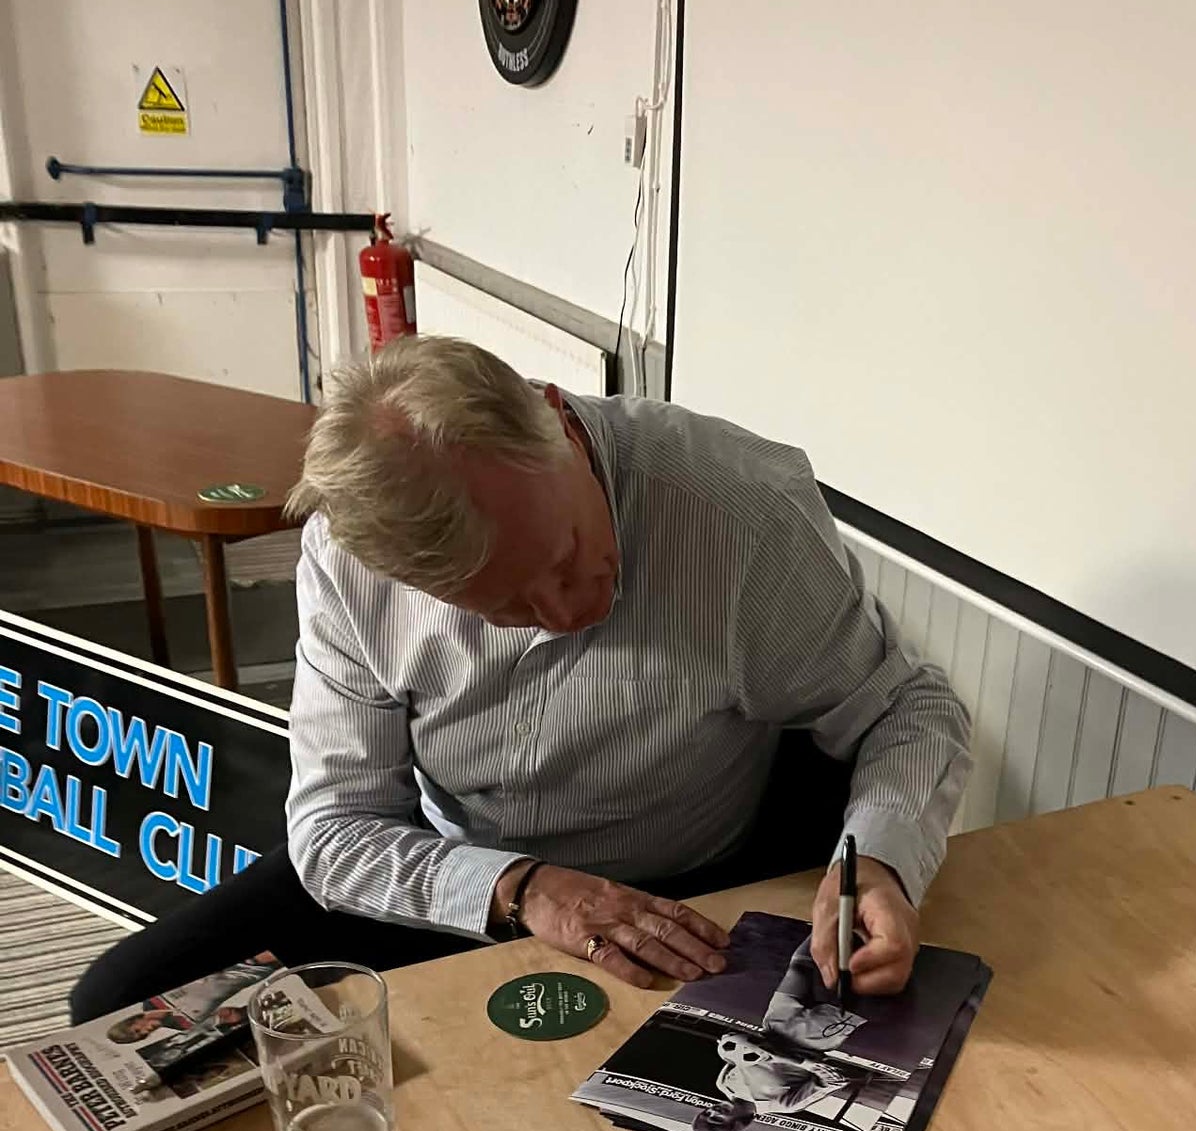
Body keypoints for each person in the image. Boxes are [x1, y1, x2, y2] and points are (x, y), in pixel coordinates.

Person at [71, 337, 970, 1022]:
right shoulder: (349, 564)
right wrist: (523, 889)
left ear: (553, 417)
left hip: (703, 885)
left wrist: (881, 864)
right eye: (505, 608)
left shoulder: (742, 512)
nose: (567, 607)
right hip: (462, 869)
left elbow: (907, 707)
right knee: (117, 1004)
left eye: (568, 551)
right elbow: (336, 829)